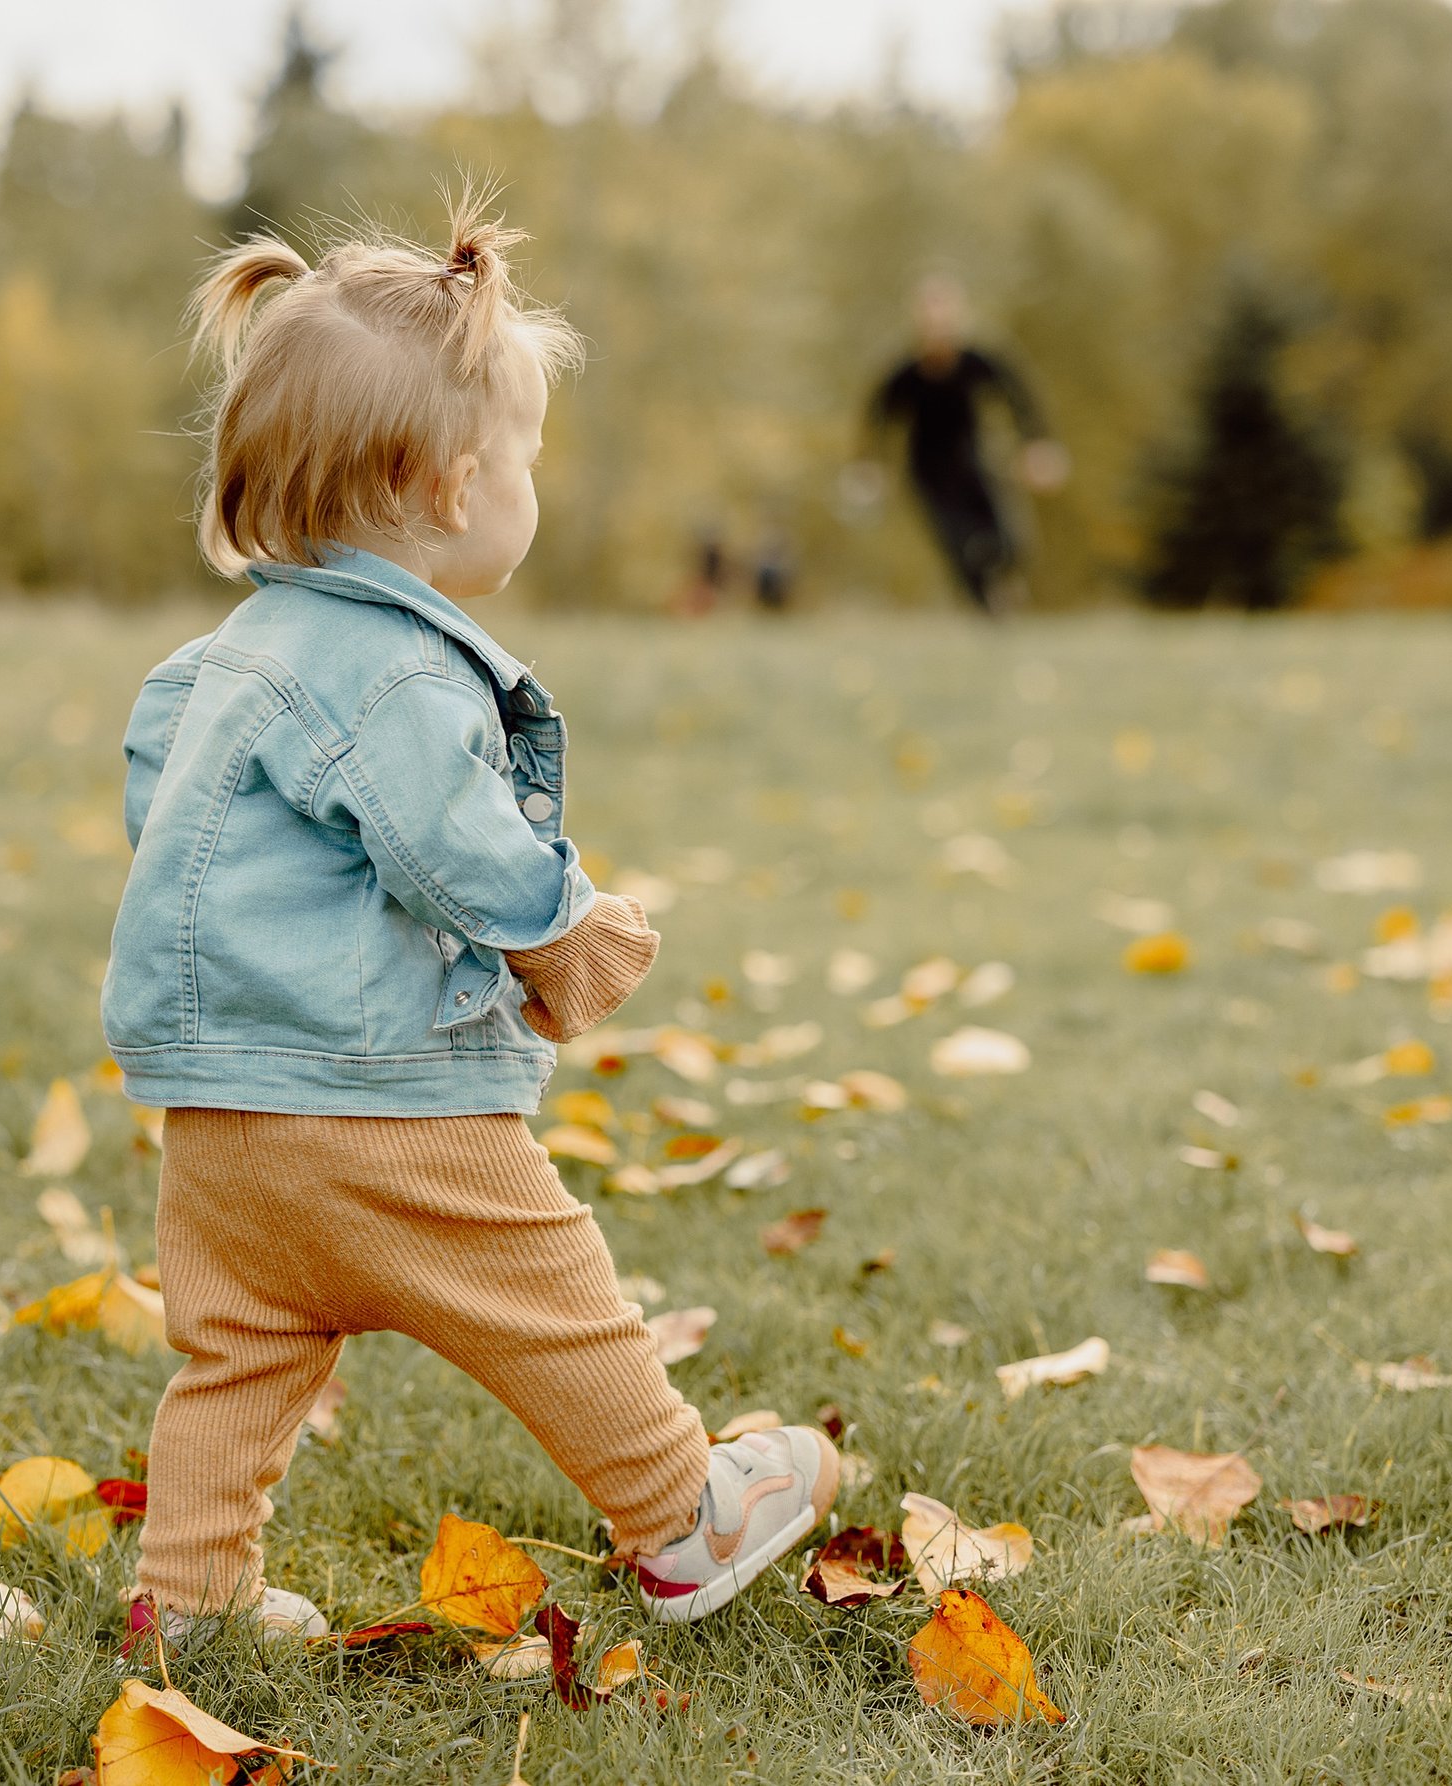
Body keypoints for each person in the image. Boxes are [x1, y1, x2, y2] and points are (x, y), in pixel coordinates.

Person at [102, 198, 841, 1651]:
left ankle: (188, 1601)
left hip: (219, 1121)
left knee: (241, 1352)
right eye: (527, 460)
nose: (530, 486)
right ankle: (685, 1513)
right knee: (555, 1298)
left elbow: (172, 829)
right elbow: (456, 842)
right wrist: (569, 936)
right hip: (386, 1107)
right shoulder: (394, 674)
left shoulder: (211, 666)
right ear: (450, 486)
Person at [855, 274, 1069, 615]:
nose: (937, 326)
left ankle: (1004, 588)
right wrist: (868, 465)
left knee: (1009, 544)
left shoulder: (977, 361)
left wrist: (1037, 444)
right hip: (928, 471)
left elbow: (1018, 395)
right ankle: (989, 615)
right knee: (961, 543)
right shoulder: (906, 372)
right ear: (919, 321)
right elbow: (878, 416)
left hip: (974, 459)